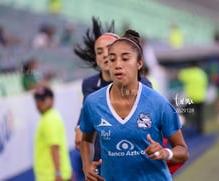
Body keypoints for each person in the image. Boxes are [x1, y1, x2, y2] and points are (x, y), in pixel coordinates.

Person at [79, 29, 189, 181]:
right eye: (112, 59)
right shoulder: (93, 102)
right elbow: (85, 139)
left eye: (125, 59)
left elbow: (182, 150)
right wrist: (86, 167)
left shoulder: (158, 103)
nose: (118, 65)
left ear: (139, 63)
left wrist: (166, 153)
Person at [73, 17, 152, 180]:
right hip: (103, 165)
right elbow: (86, 113)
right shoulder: (89, 85)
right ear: (96, 58)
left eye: (109, 49)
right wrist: (79, 128)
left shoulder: (142, 84)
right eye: (99, 52)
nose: (104, 55)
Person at [33, 86, 72, 181]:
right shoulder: (51, 116)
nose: (39, 103)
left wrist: (58, 173)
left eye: (43, 99)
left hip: (51, 176)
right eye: (37, 99)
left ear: (52, 100)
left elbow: (54, 147)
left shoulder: (49, 119)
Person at [178, 61, 208, 135]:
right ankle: (200, 130)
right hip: (200, 97)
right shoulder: (202, 73)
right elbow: (205, 84)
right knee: (199, 114)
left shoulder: (188, 73)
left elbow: (179, 76)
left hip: (191, 98)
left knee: (184, 112)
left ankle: (181, 128)